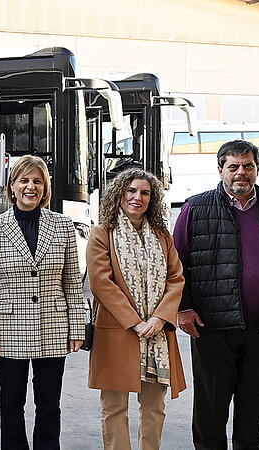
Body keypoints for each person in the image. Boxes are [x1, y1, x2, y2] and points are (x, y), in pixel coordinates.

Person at [173, 139, 259, 450]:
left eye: (248, 166)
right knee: (211, 409)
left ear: (258, 170)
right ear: (221, 170)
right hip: (212, 327)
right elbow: (176, 263)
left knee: (254, 407)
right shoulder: (196, 207)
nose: (241, 173)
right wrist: (183, 307)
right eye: (233, 167)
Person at [0, 155, 87, 449]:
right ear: (12, 186)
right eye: (24, 180)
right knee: (11, 405)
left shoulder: (63, 226)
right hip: (9, 329)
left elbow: (72, 284)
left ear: (45, 187)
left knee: (49, 405)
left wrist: (78, 327)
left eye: (37, 181)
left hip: (53, 327)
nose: (30, 187)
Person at [85, 168, 186, 450]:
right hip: (117, 332)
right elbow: (101, 284)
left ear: (152, 199)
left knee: (155, 407)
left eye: (144, 193)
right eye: (131, 191)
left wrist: (159, 318)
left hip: (157, 334)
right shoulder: (101, 234)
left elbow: (176, 279)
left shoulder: (163, 236)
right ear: (119, 195)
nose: (137, 198)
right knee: (114, 407)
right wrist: (135, 322)